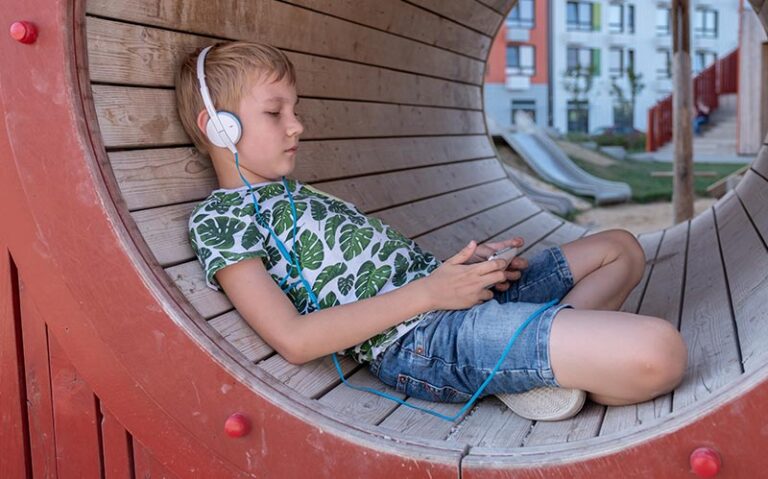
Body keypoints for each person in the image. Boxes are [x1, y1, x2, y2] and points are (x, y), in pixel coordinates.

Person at [175, 41, 688, 421]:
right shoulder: (222, 221)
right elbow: (294, 339)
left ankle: (532, 366)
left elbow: (382, 269)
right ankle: (539, 361)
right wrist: (432, 294)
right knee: (659, 353)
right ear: (218, 126)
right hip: (421, 341)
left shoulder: (297, 193)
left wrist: (463, 271)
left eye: (295, 109)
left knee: (620, 248)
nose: (297, 125)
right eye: (275, 112)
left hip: (448, 298)